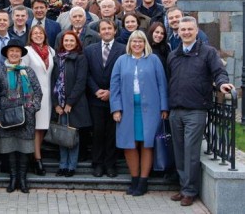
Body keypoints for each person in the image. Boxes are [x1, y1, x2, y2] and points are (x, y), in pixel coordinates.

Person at [167, 16, 234, 207]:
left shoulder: (208, 53)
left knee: (191, 151)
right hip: (176, 110)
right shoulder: (174, 55)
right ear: (178, 32)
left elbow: (219, 72)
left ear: (196, 31)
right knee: (179, 151)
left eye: (189, 29)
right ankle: (183, 186)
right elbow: (170, 79)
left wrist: (222, 84)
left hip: (196, 110)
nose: (186, 32)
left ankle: (190, 191)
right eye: (183, 29)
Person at [110, 30, 168, 196]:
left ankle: (143, 181)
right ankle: (134, 178)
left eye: (140, 41)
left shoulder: (154, 60)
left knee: (147, 144)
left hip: (151, 109)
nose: (137, 44)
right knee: (129, 145)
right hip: (127, 110)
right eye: (134, 41)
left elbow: (162, 85)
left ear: (145, 43)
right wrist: (116, 109)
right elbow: (114, 87)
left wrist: (164, 108)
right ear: (130, 43)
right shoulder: (121, 61)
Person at [0, 39, 43, 193]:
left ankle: (23, 179)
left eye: (17, 51)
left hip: (26, 116)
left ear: (21, 54)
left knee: (24, 148)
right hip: (6, 117)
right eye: (11, 51)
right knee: (11, 148)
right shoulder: (0, 71)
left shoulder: (28, 71)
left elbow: (38, 92)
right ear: (7, 53)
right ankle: (13, 179)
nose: (14, 53)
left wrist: (34, 107)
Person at [85, 19, 125, 178]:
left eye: (110, 28)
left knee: (112, 133)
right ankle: (97, 164)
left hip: (114, 99)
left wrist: (110, 91)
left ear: (115, 31)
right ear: (99, 32)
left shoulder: (122, 50)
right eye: (103, 29)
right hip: (95, 99)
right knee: (97, 132)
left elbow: (124, 75)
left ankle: (110, 164)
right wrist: (96, 90)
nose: (107, 31)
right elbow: (86, 73)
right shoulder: (89, 50)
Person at [51, 31, 91, 177]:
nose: (68, 43)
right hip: (60, 105)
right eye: (66, 41)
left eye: (71, 41)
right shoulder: (57, 59)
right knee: (62, 137)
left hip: (75, 104)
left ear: (76, 43)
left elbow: (81, 82)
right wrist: (56, 104)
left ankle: (71, 166)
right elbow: (53, 82)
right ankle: (62, 165)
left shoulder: (80, 58)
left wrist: (70, 103)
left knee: (72, 137)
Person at [22, 25, 55, 176]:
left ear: (44, 35)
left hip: (48, 96)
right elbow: (22, 74)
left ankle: (35, 156)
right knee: (35, 128)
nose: (38, 35)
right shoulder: (27, 51)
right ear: (30, 36)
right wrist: (27, 95)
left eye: (40, 33)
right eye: (35, 33)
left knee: (42, 128)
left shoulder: (51, 50)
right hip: (33, 96)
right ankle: (37, 160)